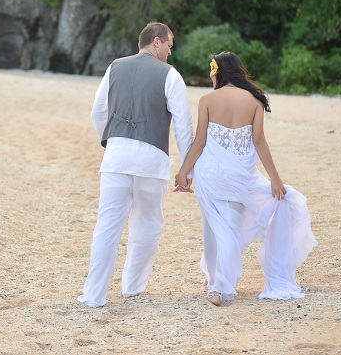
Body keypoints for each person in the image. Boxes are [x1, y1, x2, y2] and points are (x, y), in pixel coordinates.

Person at [174, 51, 317, 306]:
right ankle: (216, 280)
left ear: (218, 71)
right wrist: (275, 179)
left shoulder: (207, 99)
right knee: (229, 226)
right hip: (240, 174)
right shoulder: (254, 101)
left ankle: (218, 285)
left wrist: (183, 171)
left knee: (215, 228)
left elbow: (200, 142)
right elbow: (259, 142)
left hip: (212, 173)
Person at [78, 22, 195, 308]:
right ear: (156, 41)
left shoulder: (114, 67)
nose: (170, 51)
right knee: (147, 225)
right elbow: (183, 126)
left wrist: (111, 142)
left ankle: (94, 295)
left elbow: (98, 112)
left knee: (106, 228)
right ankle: (132, 287)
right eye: (169, 45)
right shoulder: (171, 75)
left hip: (116, 158)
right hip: (151, 163)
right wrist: (186, 171)